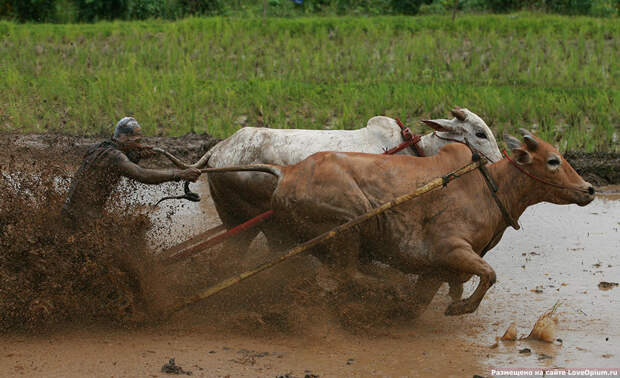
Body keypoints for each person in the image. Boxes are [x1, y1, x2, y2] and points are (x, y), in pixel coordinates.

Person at [62, 117, 201, 224]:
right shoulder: (114, 156)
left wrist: (135, 156)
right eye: (137, 141)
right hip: (83, 221)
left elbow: (115, 169)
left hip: (71, 213)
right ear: (124, 138)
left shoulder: (99, 148)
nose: (139, 144)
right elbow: (142, 175)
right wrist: (180, 174)